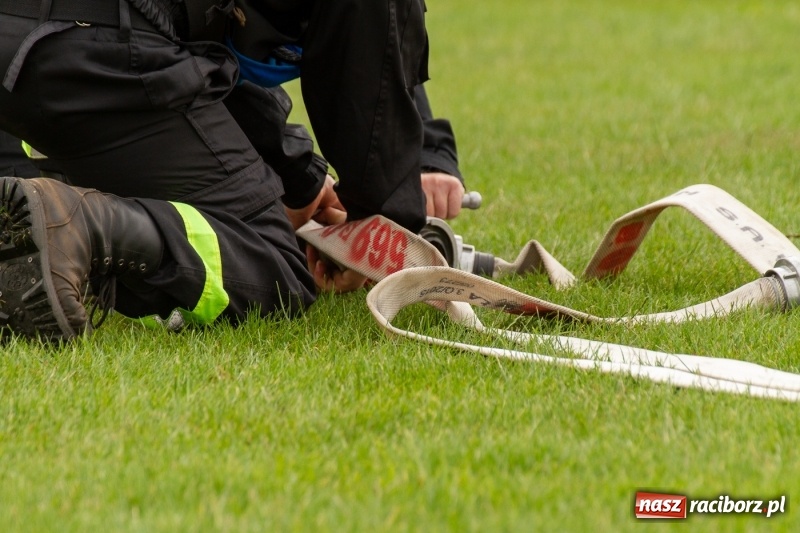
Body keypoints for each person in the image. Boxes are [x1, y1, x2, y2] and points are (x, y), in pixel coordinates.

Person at [0, 0, 432, 341]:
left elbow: (201, 47)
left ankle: (49, 231)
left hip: (30, 39)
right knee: (275, 268)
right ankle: (85, 227)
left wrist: (301, 180)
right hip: (91, 47)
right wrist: (379, 224)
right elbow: (371, 36)